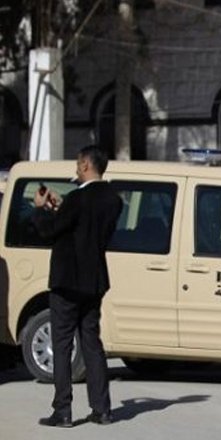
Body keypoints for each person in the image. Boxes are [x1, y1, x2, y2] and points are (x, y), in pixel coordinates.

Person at [33, 146, 123, 427]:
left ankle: (63, 410)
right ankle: (102, 409)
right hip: (94, 280)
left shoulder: (77, 198)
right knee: (91, 343)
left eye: (77, 163)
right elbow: (83, 227)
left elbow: (50, 231)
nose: (76, 168)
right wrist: (60, 208)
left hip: (67, 281)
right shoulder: (114, 199)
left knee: (61, 345)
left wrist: (40, 209)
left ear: (85, 165)